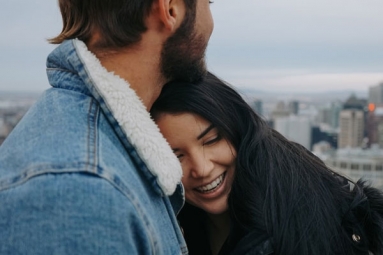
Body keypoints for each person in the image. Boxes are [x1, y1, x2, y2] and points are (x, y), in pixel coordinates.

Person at [0, 0, 214, 254]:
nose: (211, 20)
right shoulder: (80, 193)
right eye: (209, 2)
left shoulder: (92, 162)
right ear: (169, 9)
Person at [151, 72, 383, 255]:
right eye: (176, 156)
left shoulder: (302, 216)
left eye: (212, 140)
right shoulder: (171, 222)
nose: (202, 169)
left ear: (239, 130)